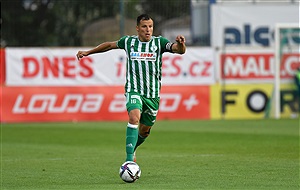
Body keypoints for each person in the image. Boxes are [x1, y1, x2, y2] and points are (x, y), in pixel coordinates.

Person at [76, 14, 186, 162]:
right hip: (134, 90)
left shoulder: (159, 43)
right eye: (144, 27)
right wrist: (88, 52)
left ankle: (133, 148)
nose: (148, 30)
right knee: (134, 118)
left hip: (152, 95)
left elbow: (178, 50)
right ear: (137, 28)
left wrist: (181, 44)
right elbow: (109, 45)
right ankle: (128, 161)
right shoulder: (128, 41)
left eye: (150, 26)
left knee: (145, 131)